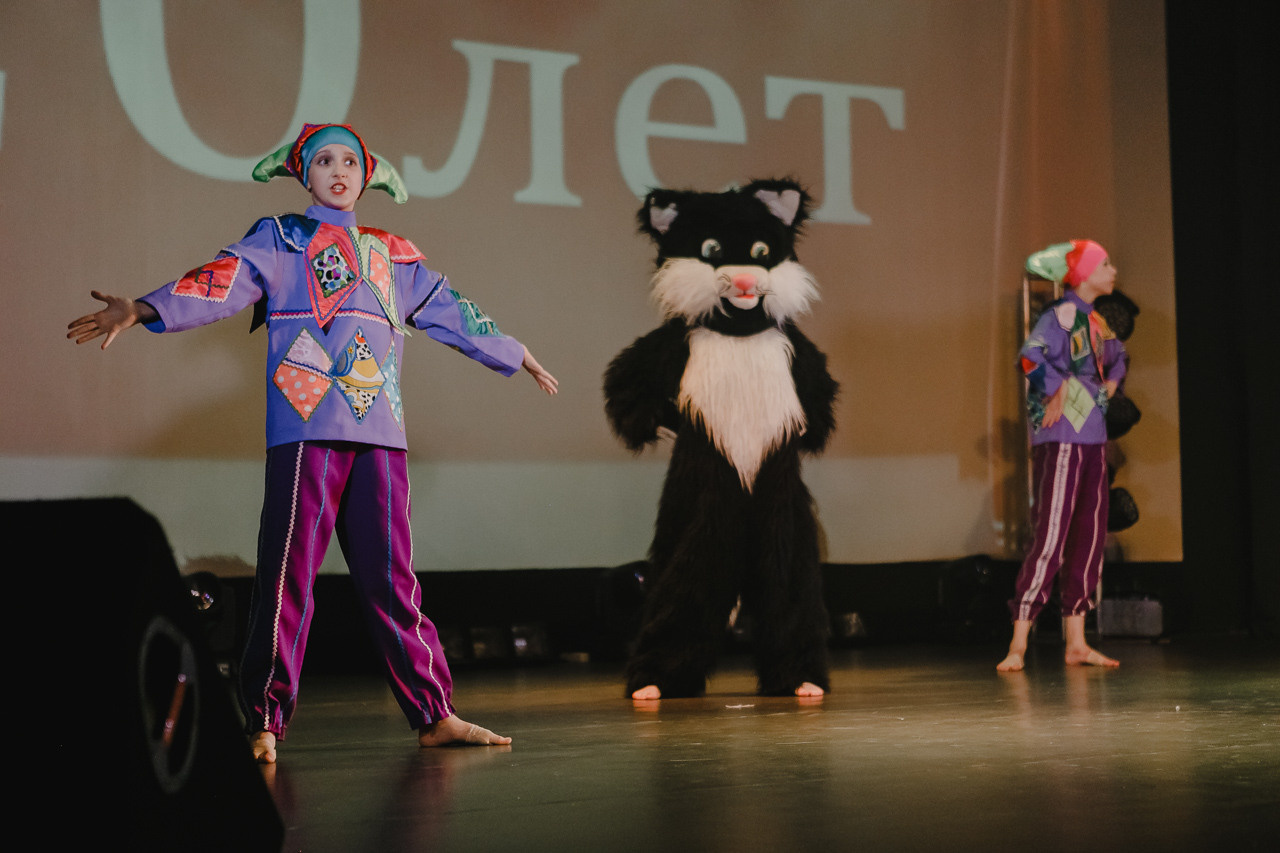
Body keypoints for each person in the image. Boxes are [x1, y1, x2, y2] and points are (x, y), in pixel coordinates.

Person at [68, 123, 558, 761]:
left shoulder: (391, 253)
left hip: (380, 433)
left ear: (366, 173)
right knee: (287, 579)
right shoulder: (279, 239)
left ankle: (434, 712)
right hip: (307, 431)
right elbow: (218, 283)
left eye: (349, 161)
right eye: (324, 160)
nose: (338, 170)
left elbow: (449, 309)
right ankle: (266, 719)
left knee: (393, 581)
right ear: (304, 173)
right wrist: (143, 307)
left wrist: (514, 352)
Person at [997, 239, 1126, 672]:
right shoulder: (1060, 316)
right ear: (1084, 273)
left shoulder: (1097, 322)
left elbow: (1118, 356)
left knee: (1089, 536)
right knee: (1051, 534)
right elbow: (1030, 357)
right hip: (1065, 437)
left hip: (1094, 438)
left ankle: (1076, 640)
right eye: (1104, 264)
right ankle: (1019, 640)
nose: (1113, 270)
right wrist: (1057, 387)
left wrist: (1108, 386)